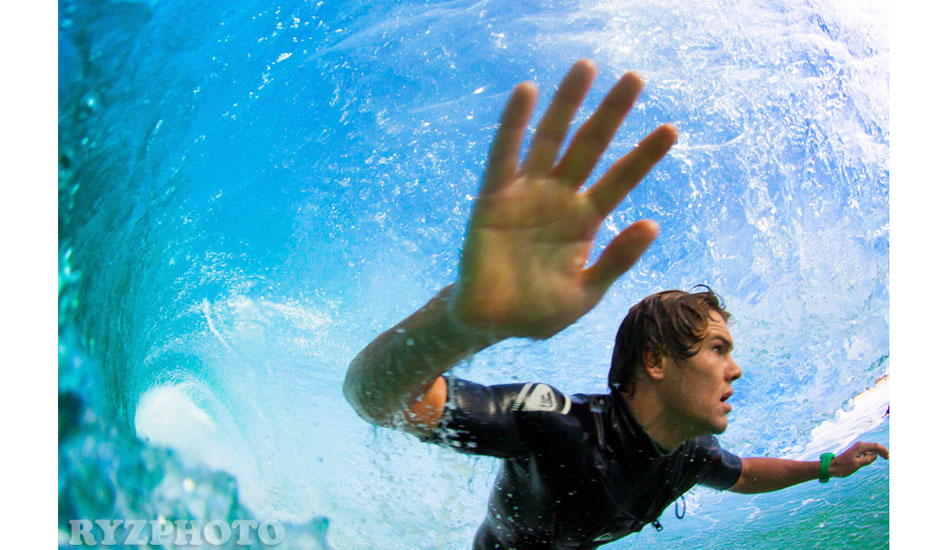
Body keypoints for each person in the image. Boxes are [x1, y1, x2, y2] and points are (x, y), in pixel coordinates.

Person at [343, 60, 889, 549]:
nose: (735, 368)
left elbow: (745, 474)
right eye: (718, 348)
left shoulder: (687, 452)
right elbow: (377, 398)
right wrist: (464, 322)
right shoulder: (557, 424)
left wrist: (827, 466)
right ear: (655, 360)